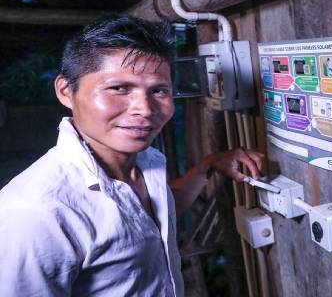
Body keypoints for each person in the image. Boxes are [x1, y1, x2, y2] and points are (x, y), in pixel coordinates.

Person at [0, 15, 264, 296]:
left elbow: (152, 213)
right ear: (66, 91)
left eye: (158, 90)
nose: (145, 109)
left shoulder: (143, 163)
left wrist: (208, 167)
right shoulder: (34, 212)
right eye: (119, 88)